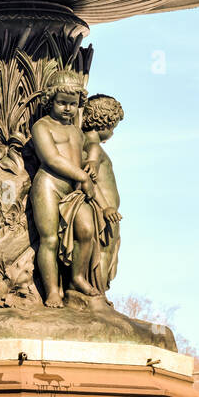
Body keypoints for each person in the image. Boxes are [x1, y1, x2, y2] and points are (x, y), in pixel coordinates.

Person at [29, 69, 96, 305]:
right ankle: (53, 291)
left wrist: (88, 167)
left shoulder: (76, 131)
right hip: (49, 184)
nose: (67, 108)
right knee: (49, 239)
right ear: (50, 101)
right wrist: (82, 176)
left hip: (74, 191)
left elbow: (81, 155)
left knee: (87, 231)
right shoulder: (41, 126)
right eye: (61, 103)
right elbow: (52, 158)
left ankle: (77, 278)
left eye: (72, 104)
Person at [81, 94, 124, 290]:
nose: (113, 133)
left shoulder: (84, 144)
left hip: (104, 209)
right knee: (105, 252)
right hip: (105, 212)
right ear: (103, 123)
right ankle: (98, 293)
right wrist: (106, 206)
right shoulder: (94, 147)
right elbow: (90, 177)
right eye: (112, 127)